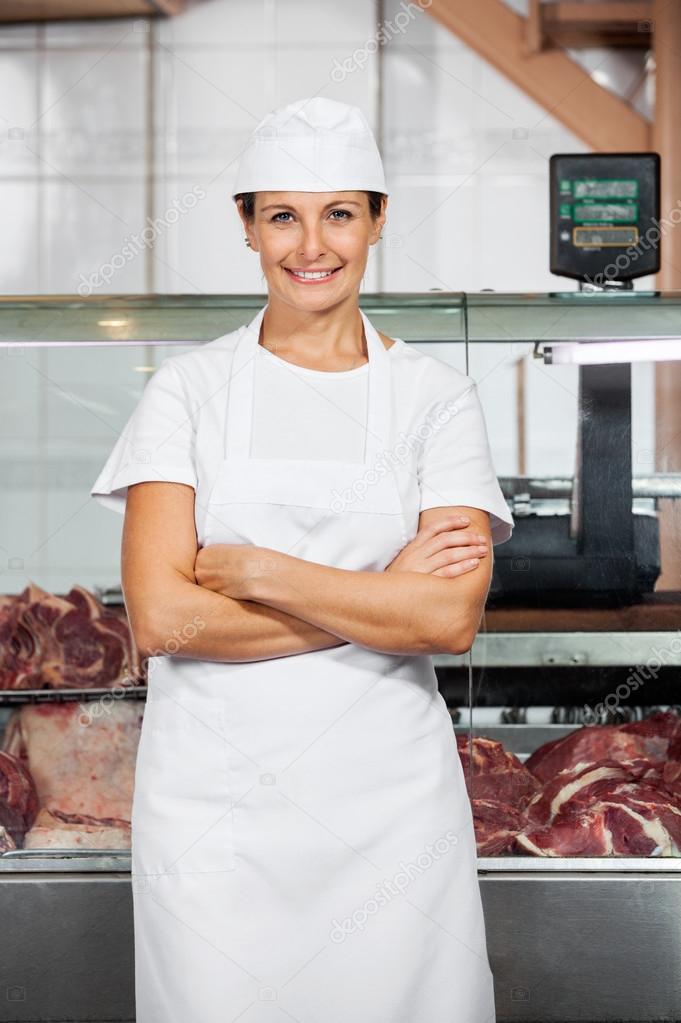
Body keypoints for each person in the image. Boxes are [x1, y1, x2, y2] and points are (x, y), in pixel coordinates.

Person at [90, 96, 514, 1023]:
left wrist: (255, 568)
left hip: (390, 813)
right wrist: (381, 590)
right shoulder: (186, 392)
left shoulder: (437, 400)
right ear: (245, 225)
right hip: (218, 818)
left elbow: (445, 619)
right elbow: (164, 620)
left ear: (377, 221)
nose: (310, 245)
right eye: (281, 214)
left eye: (339, 214)